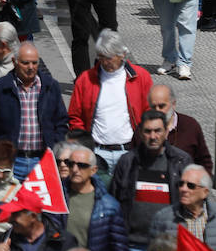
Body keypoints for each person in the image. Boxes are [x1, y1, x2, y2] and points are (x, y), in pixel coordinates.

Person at [0, 42, 68, 180]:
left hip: (42, 161)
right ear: (14, 62)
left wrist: (56, 149)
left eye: (35, 63)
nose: (31, 67)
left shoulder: (50, 87)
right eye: (25, 63)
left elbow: (61, 122)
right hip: (9, 163)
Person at [110, 111, 191, 251]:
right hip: (134, 248)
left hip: (169, 247)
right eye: (148, 131)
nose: (153, 136)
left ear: (166, 131)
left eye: (157, 131)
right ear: (140, 133)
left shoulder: (181, 161)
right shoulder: (127, 162)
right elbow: (114, 202)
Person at [65, 30, 152, 174]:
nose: (105, 62)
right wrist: (84, 144)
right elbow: (75, 116)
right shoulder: (85, 80)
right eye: (101, 57)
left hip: (129, 152)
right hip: (97, 154)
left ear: (122, 54)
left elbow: (150, 113)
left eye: (109, 58)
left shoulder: (141, 77)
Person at [147, 163, 216, 251]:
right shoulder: (162, 217)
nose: (183, 189)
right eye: (181, 184)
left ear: (205, 192)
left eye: (191, 186)